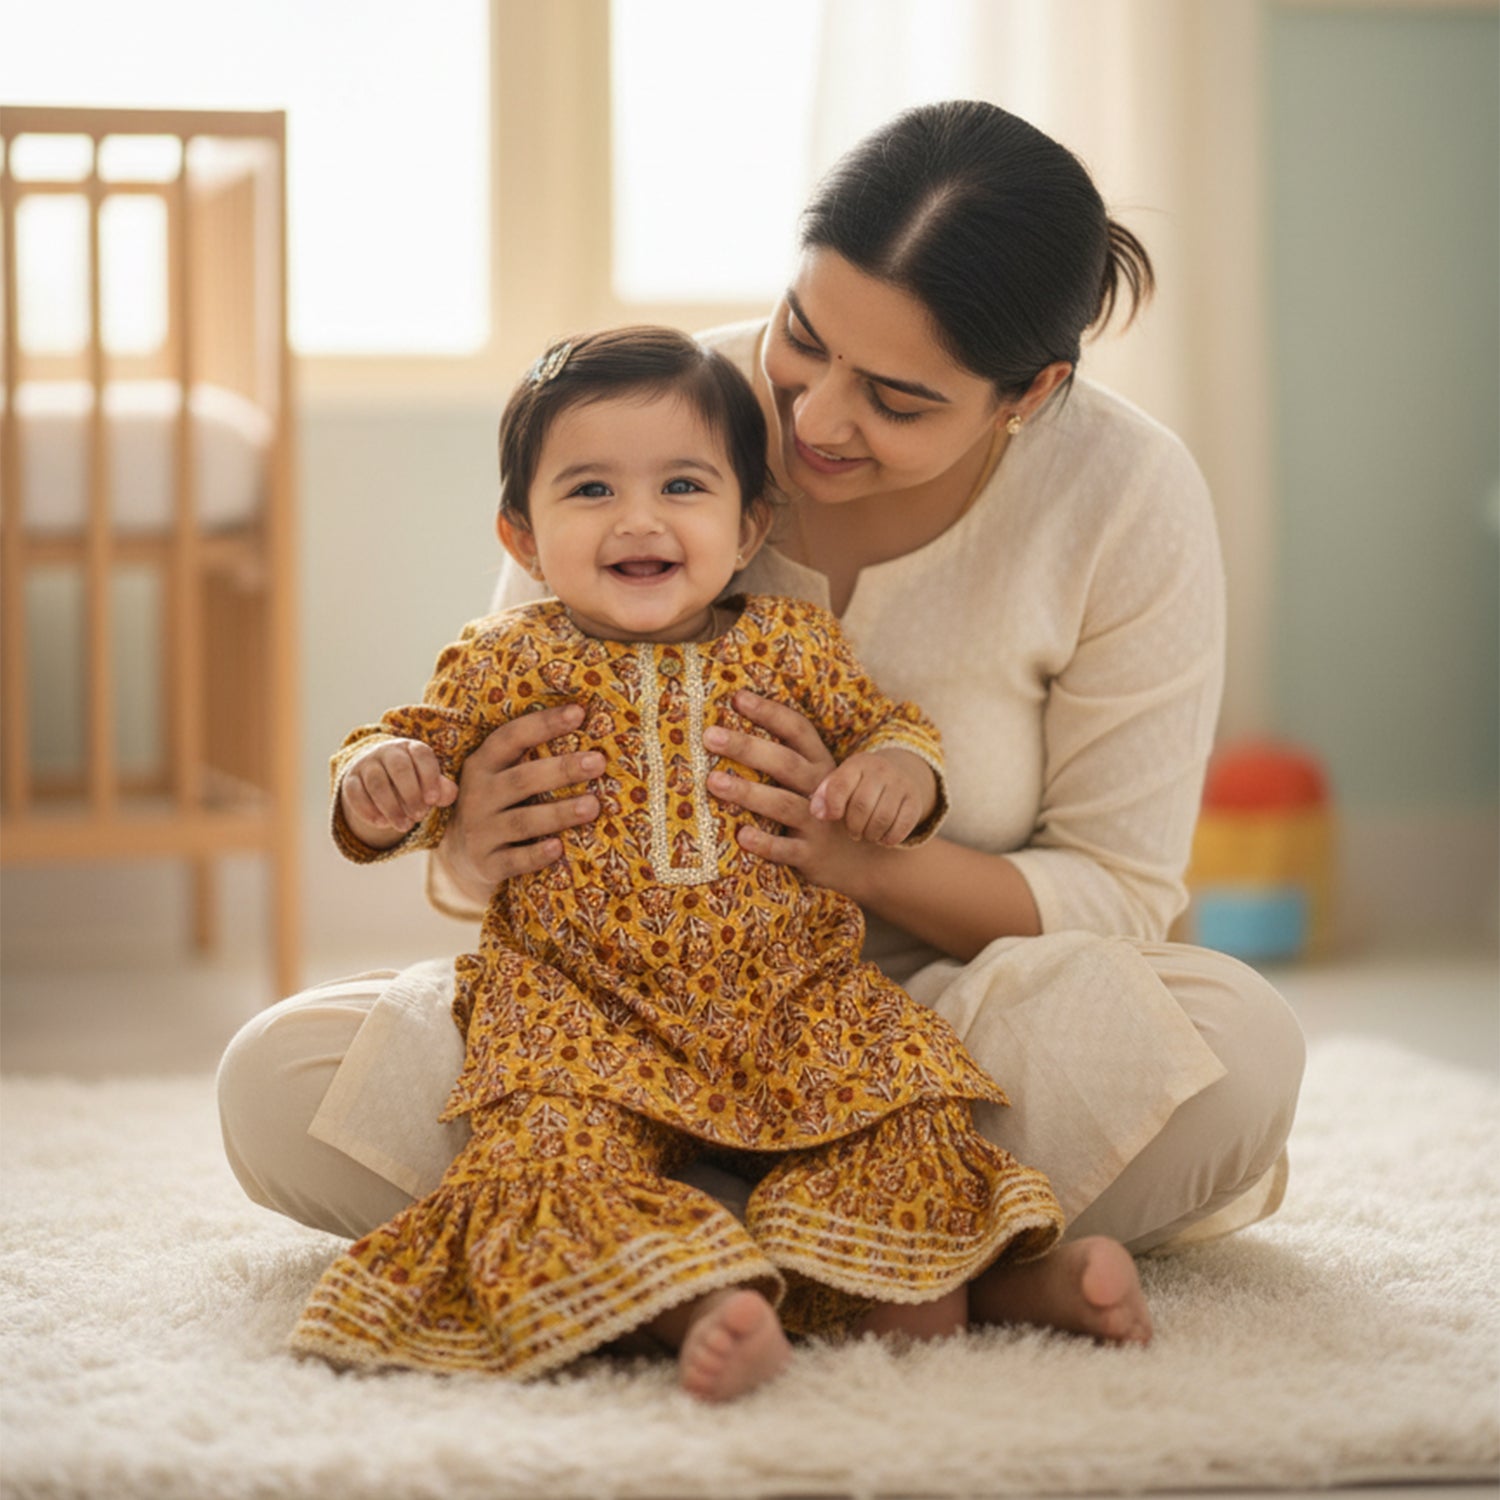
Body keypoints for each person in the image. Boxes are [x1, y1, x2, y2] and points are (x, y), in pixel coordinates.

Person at [220, 100, 1303, 1343]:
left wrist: (856, 860)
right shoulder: (648, 421)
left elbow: (1118, 891)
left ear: (1029, 392)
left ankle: (652, 1254)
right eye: (805, 339)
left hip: (934, 1023)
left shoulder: (1126, 493)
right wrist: (464, 836)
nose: (817, 421)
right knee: (277, 1082)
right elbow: (482, 814)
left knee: (1237, 1051)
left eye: (896, 399)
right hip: (600, 1030)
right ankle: (926, 1265)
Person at [289, 327, 1068, 1400]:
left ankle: (976, 1285)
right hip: (579, 1014)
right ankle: (698, 1299)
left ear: (750, 526)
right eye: (593, 488)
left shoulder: (793, 646)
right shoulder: (506, 656)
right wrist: (380, 779)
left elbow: (894, 728)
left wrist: (899, 772)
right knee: (539, 1157)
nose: (639, 519)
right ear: (522, 533)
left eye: (683, 485)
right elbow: (408, 749)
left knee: (903, 1108)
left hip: (794, 1000)